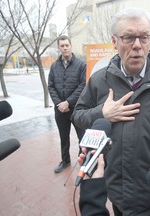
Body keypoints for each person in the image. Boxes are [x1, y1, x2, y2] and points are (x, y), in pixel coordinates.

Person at [71, 7, 150, 216]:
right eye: (129, 37)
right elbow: (78, 115)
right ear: (114, 41)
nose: (137, 45)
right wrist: (102, 113)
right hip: (115, 187)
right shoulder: (99, 79)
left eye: (144, 37)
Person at [48, 35, 86, 173]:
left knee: (82, 136)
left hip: (76, 109)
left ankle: (84, 160)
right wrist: (59, 103)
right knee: (64, 137)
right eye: (62, 46)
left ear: (71, 46)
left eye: (67, 45)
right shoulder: (54, 66)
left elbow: (83, 86)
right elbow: (50, 86)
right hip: (60, 110)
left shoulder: (81, 65)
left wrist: (68, 102)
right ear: (59, 48)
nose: (64, 48)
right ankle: (65, 161)